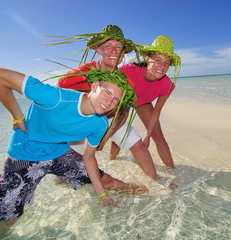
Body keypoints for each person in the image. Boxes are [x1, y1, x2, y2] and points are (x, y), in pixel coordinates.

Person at [0, 67, 147, 226]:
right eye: (107, 92)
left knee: (105, 180)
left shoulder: (100, 123)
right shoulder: (54, 97)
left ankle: (138, 190)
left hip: (59, 152)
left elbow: (89, 156)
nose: (109, 102)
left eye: (115, 100)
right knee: (8, 219)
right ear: (95, 86)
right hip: (24, 155)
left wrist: (101, 195)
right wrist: (17, 117)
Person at [57, 25, 159, 179]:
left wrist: (103, 139)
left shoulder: (126, 81)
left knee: (138, 146)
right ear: (97, 50)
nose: (114, 51)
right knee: (71, 168)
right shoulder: (81, 74)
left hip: (111, 118)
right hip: (81, 121)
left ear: (123, 53)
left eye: (119, 47)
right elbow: (55, 96)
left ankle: (158, 180)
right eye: (107, 46)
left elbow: (124, 112)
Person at [114, 35, 181, 169]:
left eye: (167, 63)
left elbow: (157, 111)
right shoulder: (127, 71)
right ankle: (113, 161)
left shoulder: (167, 85)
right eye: (158, 60)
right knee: (118, 130)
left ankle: (173, 170)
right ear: (148, 58)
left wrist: (147, 135)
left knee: (159, 136)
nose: (162, 66)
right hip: (125, 99)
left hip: (143, 103)